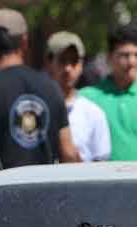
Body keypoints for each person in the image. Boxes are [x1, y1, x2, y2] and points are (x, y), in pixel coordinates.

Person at [0, 9, 79, 184]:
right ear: (24, 42)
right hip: (44, 197)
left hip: (0, 198)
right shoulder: (51, 87)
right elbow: (69, 153)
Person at [80, 24, 137, 161]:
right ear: (109, 57)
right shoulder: (85, 99)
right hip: (98, 181)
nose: (132, 62)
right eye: (124, 55)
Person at [45, 32, 110, 162]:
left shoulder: (94, 113)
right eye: (62, 60)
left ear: (81, 65)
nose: (68, 68)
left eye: (74, 61)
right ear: (49, 63)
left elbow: (101, 165)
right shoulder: (36, 107)